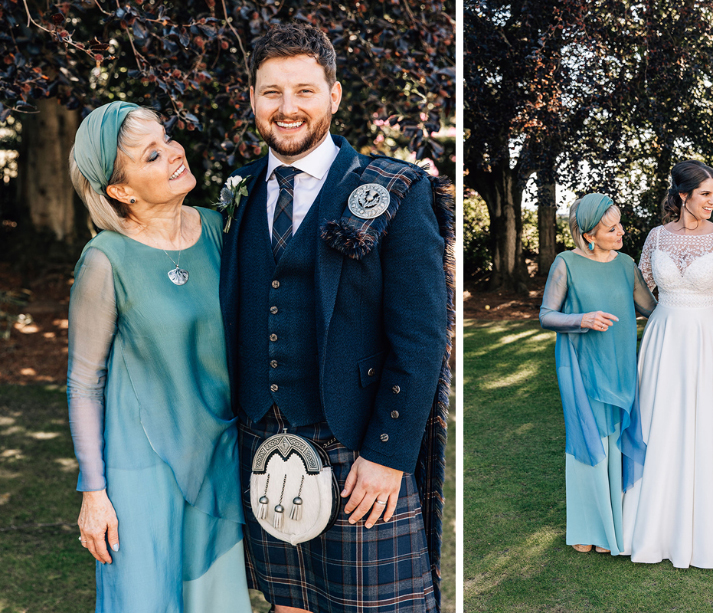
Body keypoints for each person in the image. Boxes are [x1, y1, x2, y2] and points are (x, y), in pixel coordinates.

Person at [219, 24, 453, 613]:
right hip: (260, 443)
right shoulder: (239, 191)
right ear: (251, 98)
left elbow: (423, 337)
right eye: (271, 92)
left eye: (304, 90)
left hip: (358, 449)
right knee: (288, 605)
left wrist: (389, 454)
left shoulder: (393, 188)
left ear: (335, 95)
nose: (287, 107)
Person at [66, 102, 249, 612]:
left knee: (216, 601)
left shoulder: (219, 230)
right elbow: (84, 382)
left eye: (167, 139)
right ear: (120, 191)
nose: (173, 154)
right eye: (151, 155)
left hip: (218, 453)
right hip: (138, 470)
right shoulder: (106, 259)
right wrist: (94, 492)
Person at [621, 160, 713, 569]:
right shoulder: (657, 237)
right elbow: (639, 291)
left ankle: (708, 530)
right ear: (683, 196)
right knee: (659, 423)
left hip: (705, 341)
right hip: (662, 341)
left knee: (705, 427)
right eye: (706, 194)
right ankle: (649, 526)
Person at [539, 193, 656, 555]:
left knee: (615, 440)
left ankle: (611, 528)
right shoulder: (566, 263)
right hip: (580, 365)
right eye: (611, 228)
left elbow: (653, 309)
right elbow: (546, 315)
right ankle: (587, 528)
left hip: (620, 365)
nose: (621, 231)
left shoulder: (625, 265)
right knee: (587, 442)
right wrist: (582, 320)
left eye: (620, 223)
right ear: (589, 234)